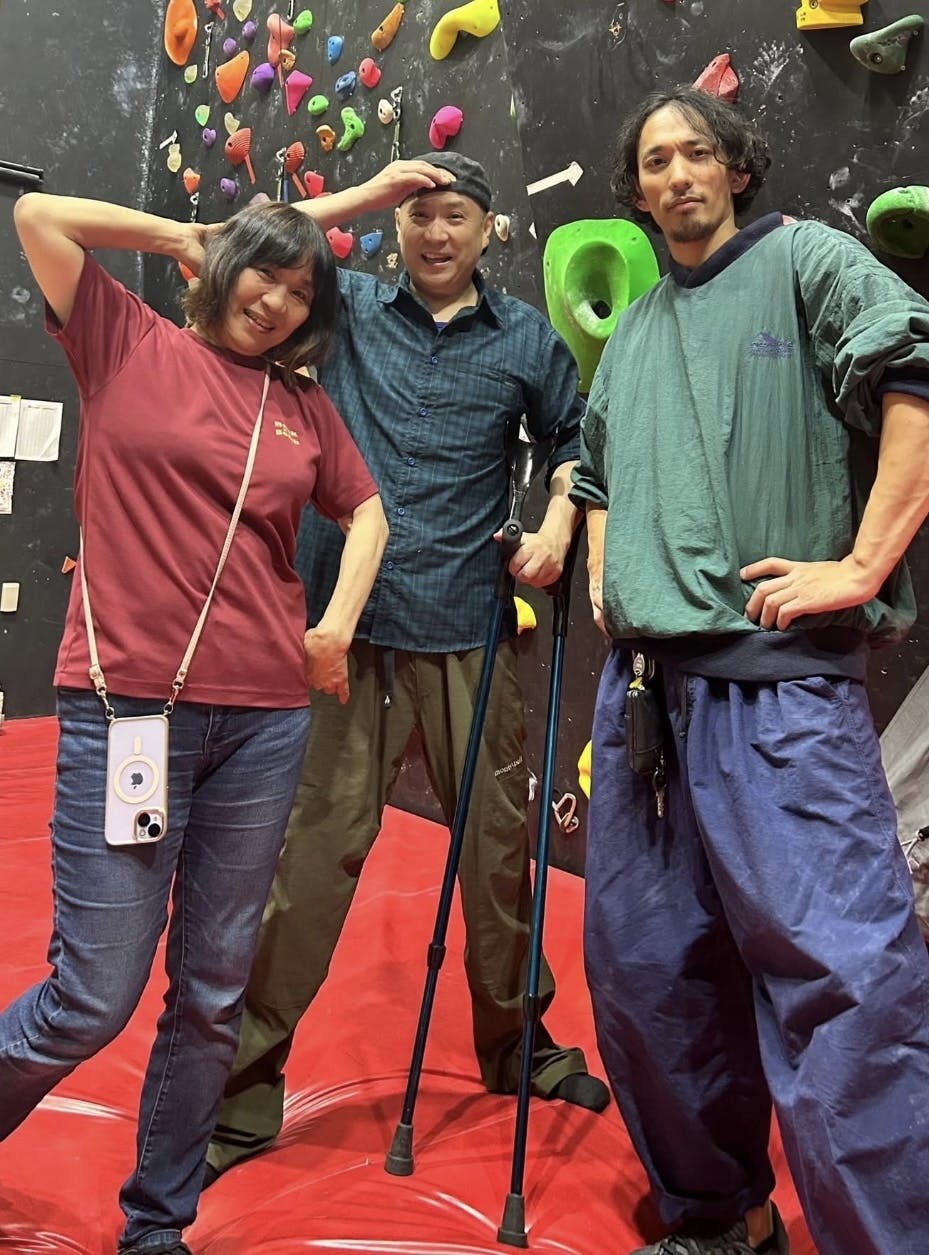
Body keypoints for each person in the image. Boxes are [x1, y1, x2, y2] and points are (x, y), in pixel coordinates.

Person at [570, 84, 929, 1255]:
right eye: (652, 160)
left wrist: (861, 563)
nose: (674, 173)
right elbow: (596, 473)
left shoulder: (806, 262)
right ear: (635, 193)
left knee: (841, 985)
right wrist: (601, 570)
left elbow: (916, 379)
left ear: (734, 166)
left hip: (777, 690)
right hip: (641, 704)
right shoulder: (632, 329)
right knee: (647, 980)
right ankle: (720, 1219)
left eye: (694, 152)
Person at [205, 152, 609, 1185]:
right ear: (396, 220)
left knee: (498, 856)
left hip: (468, 627)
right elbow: (247, 240)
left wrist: (556, 528)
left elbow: (573, 444)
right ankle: (239, 1097)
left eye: (454, 215)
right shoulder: (341, 307)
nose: (435, 232)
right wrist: (367, 188)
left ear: (486, 230)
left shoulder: (525, 339)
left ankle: (517, 1047)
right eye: (419, 213)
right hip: (344, 632)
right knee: (307, 866)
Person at [1, 190, 388, 1254]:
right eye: (266, 272)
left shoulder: (300, 404)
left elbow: (366, 510)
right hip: (127, 709)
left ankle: (157, 1224)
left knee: (213, 992)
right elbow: (38, 216)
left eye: (302, 291)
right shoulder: (123, 337)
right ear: (221, 263)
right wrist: (183, 234)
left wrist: (335, 624)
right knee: (92, 994)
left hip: (262, 725)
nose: (278, 301)